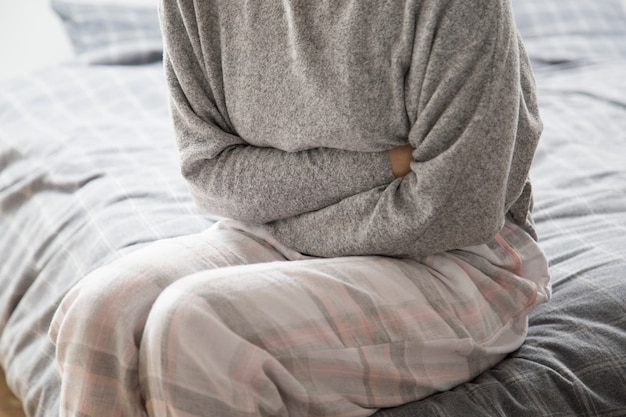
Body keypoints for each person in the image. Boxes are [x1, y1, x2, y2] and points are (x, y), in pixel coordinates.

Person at [49, 0, 551, 416]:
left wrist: (288, 210)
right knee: (103, 310)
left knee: (195, 326)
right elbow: (209, 174)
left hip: (458, 260)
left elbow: (456, 205)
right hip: (276, 235)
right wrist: (390, 165)